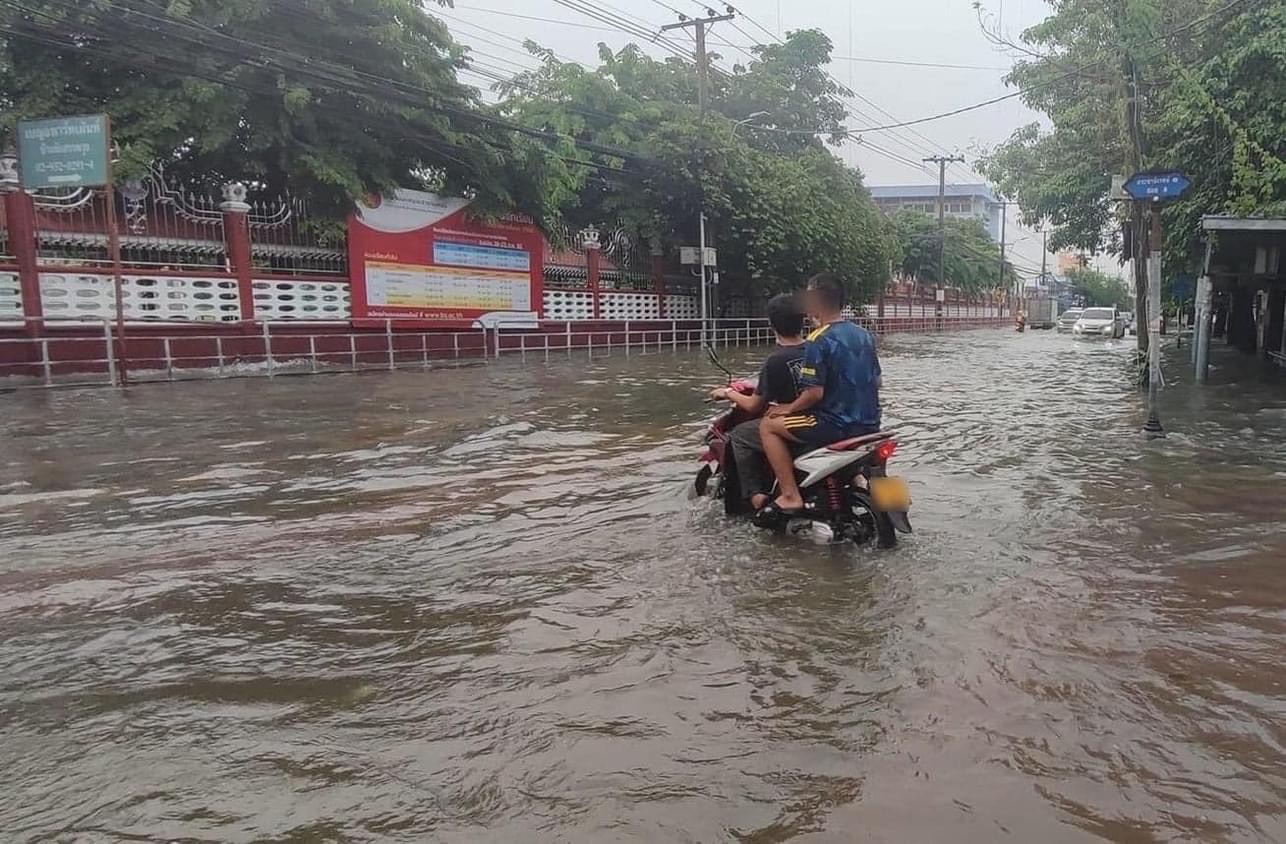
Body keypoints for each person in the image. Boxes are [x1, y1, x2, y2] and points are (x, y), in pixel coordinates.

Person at [758, 272, 882, 516]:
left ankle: (790, 495)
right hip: (871, 425)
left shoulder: (818, 339)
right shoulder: (865, 335)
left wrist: (788, 408)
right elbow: (876, 382)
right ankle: (857, 480)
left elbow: (813, 393)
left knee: (767, 426)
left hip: (835, 425)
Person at [709, 293, 806, 510]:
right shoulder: (816, 350)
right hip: (821, 419)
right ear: (803, 320)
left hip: (795, 424)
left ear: (772, 324)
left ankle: (755, 496)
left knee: (740, 434)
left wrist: (727, 393)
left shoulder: (776, 360)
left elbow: (754, 405)